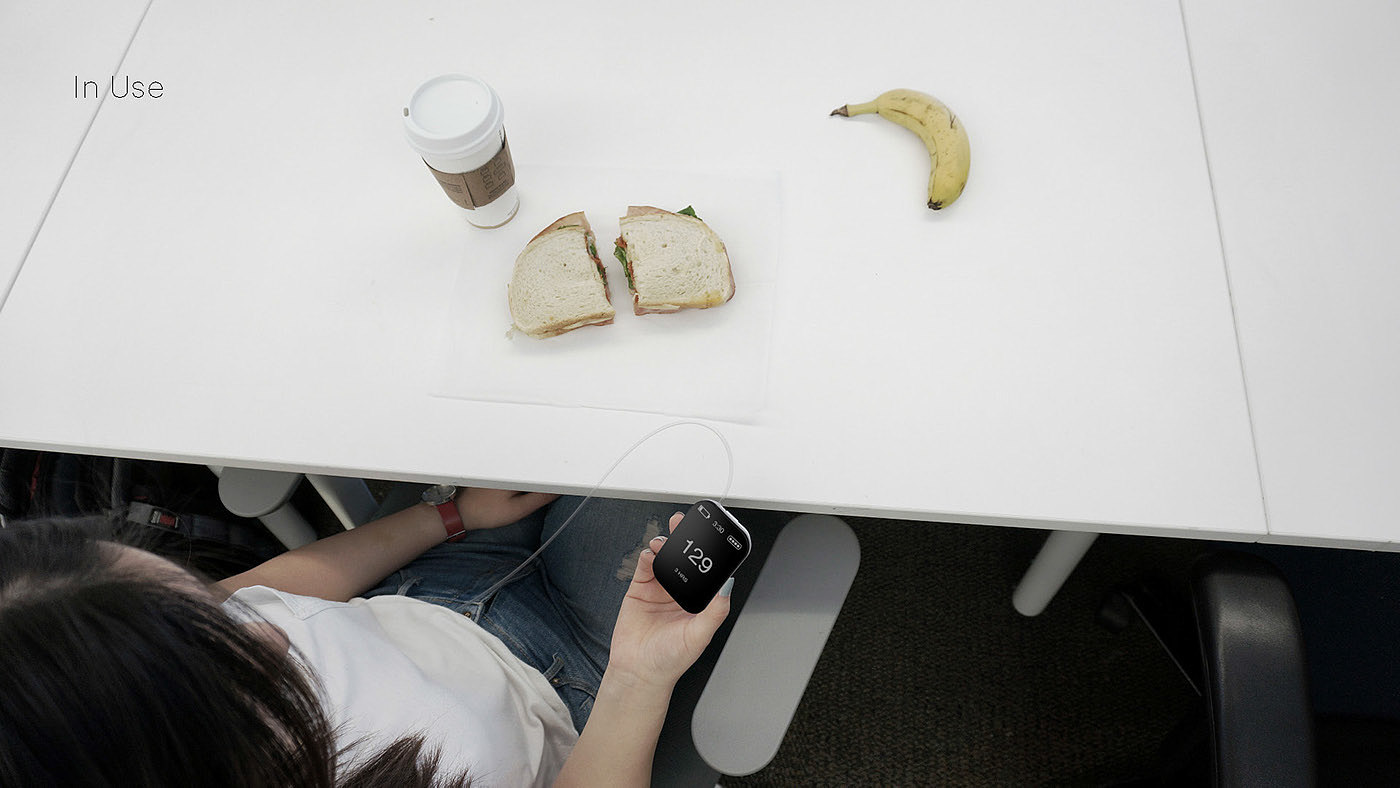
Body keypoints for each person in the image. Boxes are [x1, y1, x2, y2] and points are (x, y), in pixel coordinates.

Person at [0, 486, 733, 787]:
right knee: (666, 429)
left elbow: (264, 588)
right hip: (578, 673)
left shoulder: (133, 641)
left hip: (428, 578)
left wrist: (450, 518)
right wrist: (639, 676)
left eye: (205, 607)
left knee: (575, 386)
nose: (271, 633)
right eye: (223, 663)